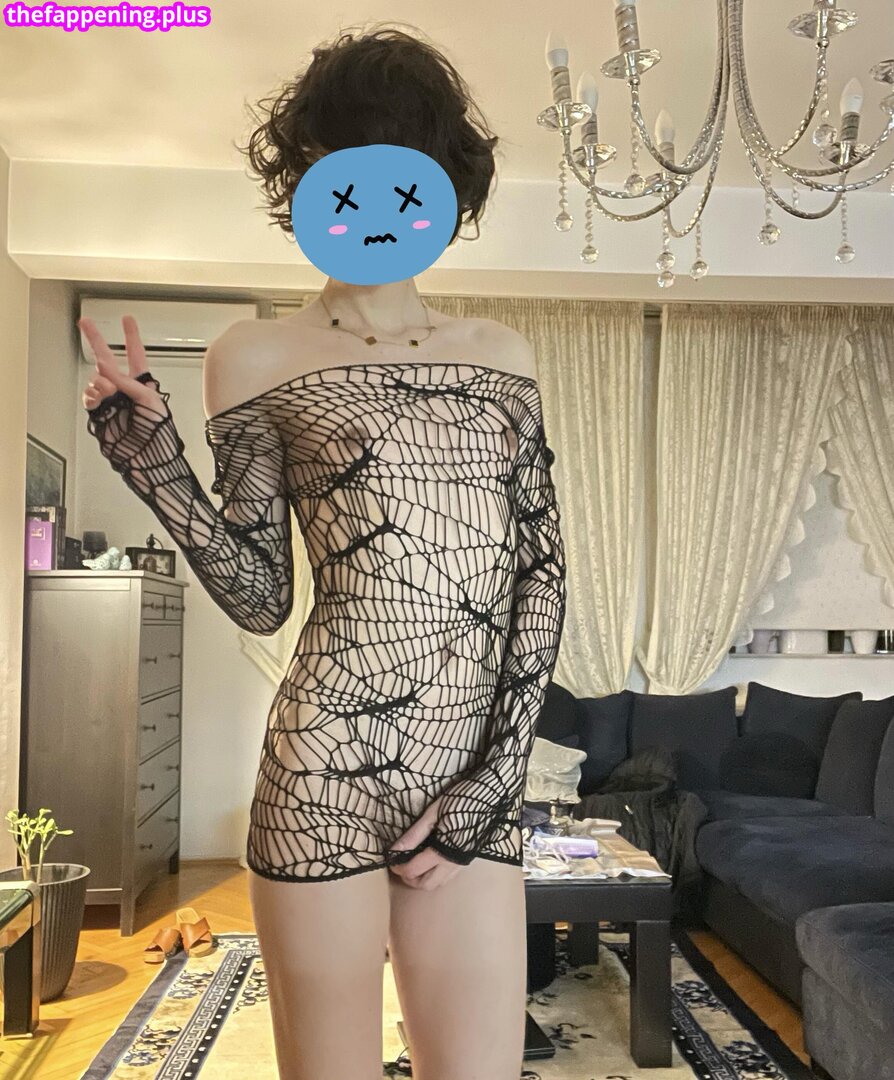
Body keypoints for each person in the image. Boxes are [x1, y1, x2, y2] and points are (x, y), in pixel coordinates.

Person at [81, 24, 567, 1080]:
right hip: (323, 769)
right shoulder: (252, 354)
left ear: (446, 187)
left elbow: (541, 575)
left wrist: (492, 784)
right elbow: (263, 596)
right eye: (344, 171)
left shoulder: (502, 356)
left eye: (405, 172)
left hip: (471, 777)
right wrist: (156, 468)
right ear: (305, 179)